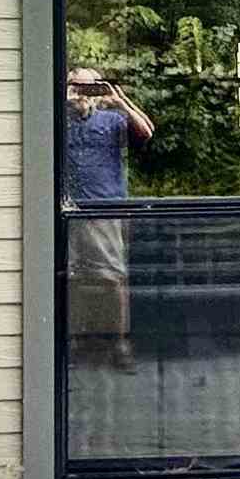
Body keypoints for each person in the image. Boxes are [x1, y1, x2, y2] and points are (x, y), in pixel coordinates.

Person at [63, 66, 152, 371]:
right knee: (72, 279)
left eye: (88, 88)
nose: (81, 94)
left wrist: (119, 99)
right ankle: (74, 343)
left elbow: (146, 132)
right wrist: (62, 99)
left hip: (106, 210)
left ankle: (119, 342)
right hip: (69, 211)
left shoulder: (111, 120)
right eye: (76, 86)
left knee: (113, 279)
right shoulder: (58, 122)